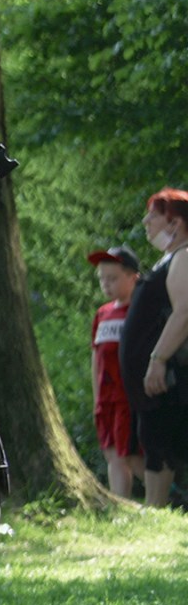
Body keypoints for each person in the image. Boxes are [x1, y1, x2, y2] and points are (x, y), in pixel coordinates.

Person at [121, 188, 188, 507]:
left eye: (154, 215)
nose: (146, 221)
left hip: (170, 379)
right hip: (154, 389)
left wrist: (158, 359)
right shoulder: (170, 258)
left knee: (163, 446)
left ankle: (156, 512)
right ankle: (155, 510)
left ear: (174, 223)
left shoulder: (185, 257)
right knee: (154, 443)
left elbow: (185, 311)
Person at [86, 246, 145, 499]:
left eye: (112, 278)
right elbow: (96, 357)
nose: (106, 285)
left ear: (133, 277)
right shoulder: (103, 314)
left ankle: (168, 497)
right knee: (112, 453)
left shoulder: (141, 311)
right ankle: (120, 504)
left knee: (130, 454)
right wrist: (97, 396)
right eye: (102, 279)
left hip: (128, 397)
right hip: (106, 398)